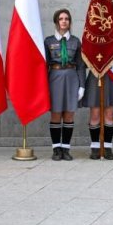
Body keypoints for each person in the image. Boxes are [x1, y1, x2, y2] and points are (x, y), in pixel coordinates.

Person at [43, 9, 84, 161]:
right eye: (61, 18)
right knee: (55, 114)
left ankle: (66, 148)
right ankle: (56, 149)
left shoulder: (75, 41)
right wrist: (44, 86)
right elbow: (45, 65)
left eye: (67, 18)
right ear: (56, 22)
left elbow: (80, 65)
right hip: (55, 78)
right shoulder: (49, 41)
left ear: (70, 22)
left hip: (72, 78)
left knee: (68, 114)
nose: (64, 21)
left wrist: (82, 86)